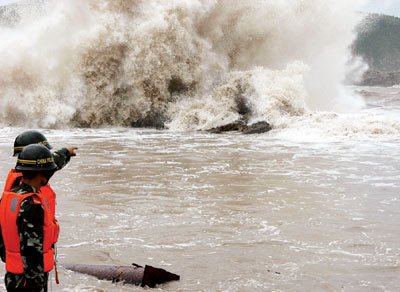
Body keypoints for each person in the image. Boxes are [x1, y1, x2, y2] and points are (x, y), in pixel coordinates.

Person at [0, 144, 59, 291]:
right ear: (42, 174)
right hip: (28, 280)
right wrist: (36, 283)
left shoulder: (9, 197)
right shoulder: (32, 204)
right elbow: (32, 250)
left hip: (12, 276)